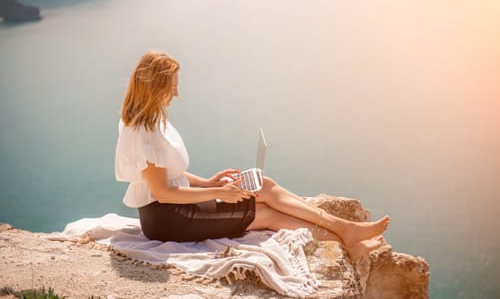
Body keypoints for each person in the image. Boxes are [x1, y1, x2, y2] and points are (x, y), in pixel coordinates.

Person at [115, 51, 390, 260]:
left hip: (174, 208)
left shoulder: (152, 120)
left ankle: (345, 228)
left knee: (264, 184)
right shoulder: (144, 130)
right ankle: (346, 243)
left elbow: (168, 173)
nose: (177, 92)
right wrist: (218, 194)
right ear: (154, 87)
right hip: (169, 219)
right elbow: (163, 192)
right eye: (171, 86)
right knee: (269, 215)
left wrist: (210, 183)